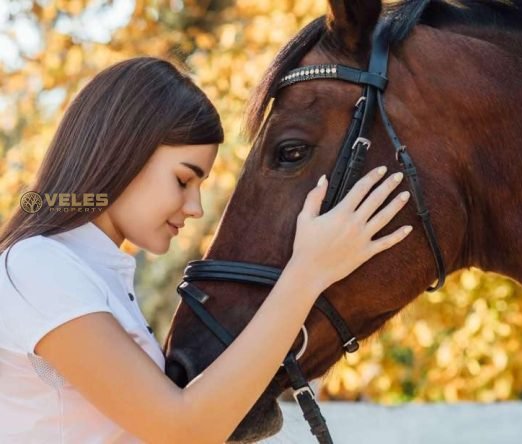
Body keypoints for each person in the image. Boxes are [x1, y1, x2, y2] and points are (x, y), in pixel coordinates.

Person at [0, 57, 412, 443]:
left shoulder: (92, 274)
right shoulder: (40, 266)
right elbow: (183, 429)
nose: (195, 208)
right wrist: (306, 273)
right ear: (122, 155)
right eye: (183, 180)